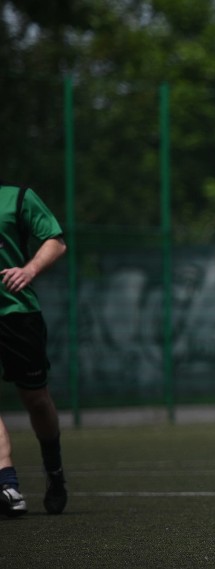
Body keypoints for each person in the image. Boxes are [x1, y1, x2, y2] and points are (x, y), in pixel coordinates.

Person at [0, 182, 68, 517]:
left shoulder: (17, 198)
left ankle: (54, 473)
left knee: (36, 401)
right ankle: (8, 484)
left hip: (17, 315)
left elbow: (56, 242)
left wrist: (29, 269)